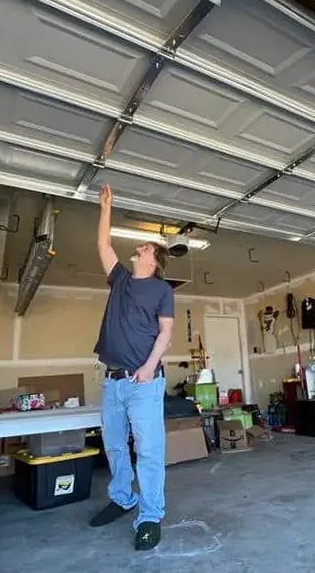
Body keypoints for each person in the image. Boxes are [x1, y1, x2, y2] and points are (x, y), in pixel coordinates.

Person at [89, 184, 174, 551]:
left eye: (145, 248)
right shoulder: (121, 280)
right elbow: (103, 247)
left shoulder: (162, 290)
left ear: (153, 260)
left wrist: (149, 367)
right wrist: (106, 207)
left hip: (144, 382)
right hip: (113, 381)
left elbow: (166, 333)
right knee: (114, 446)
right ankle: (123, 498)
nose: (138, 248)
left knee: (149, 449)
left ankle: (150, 515)